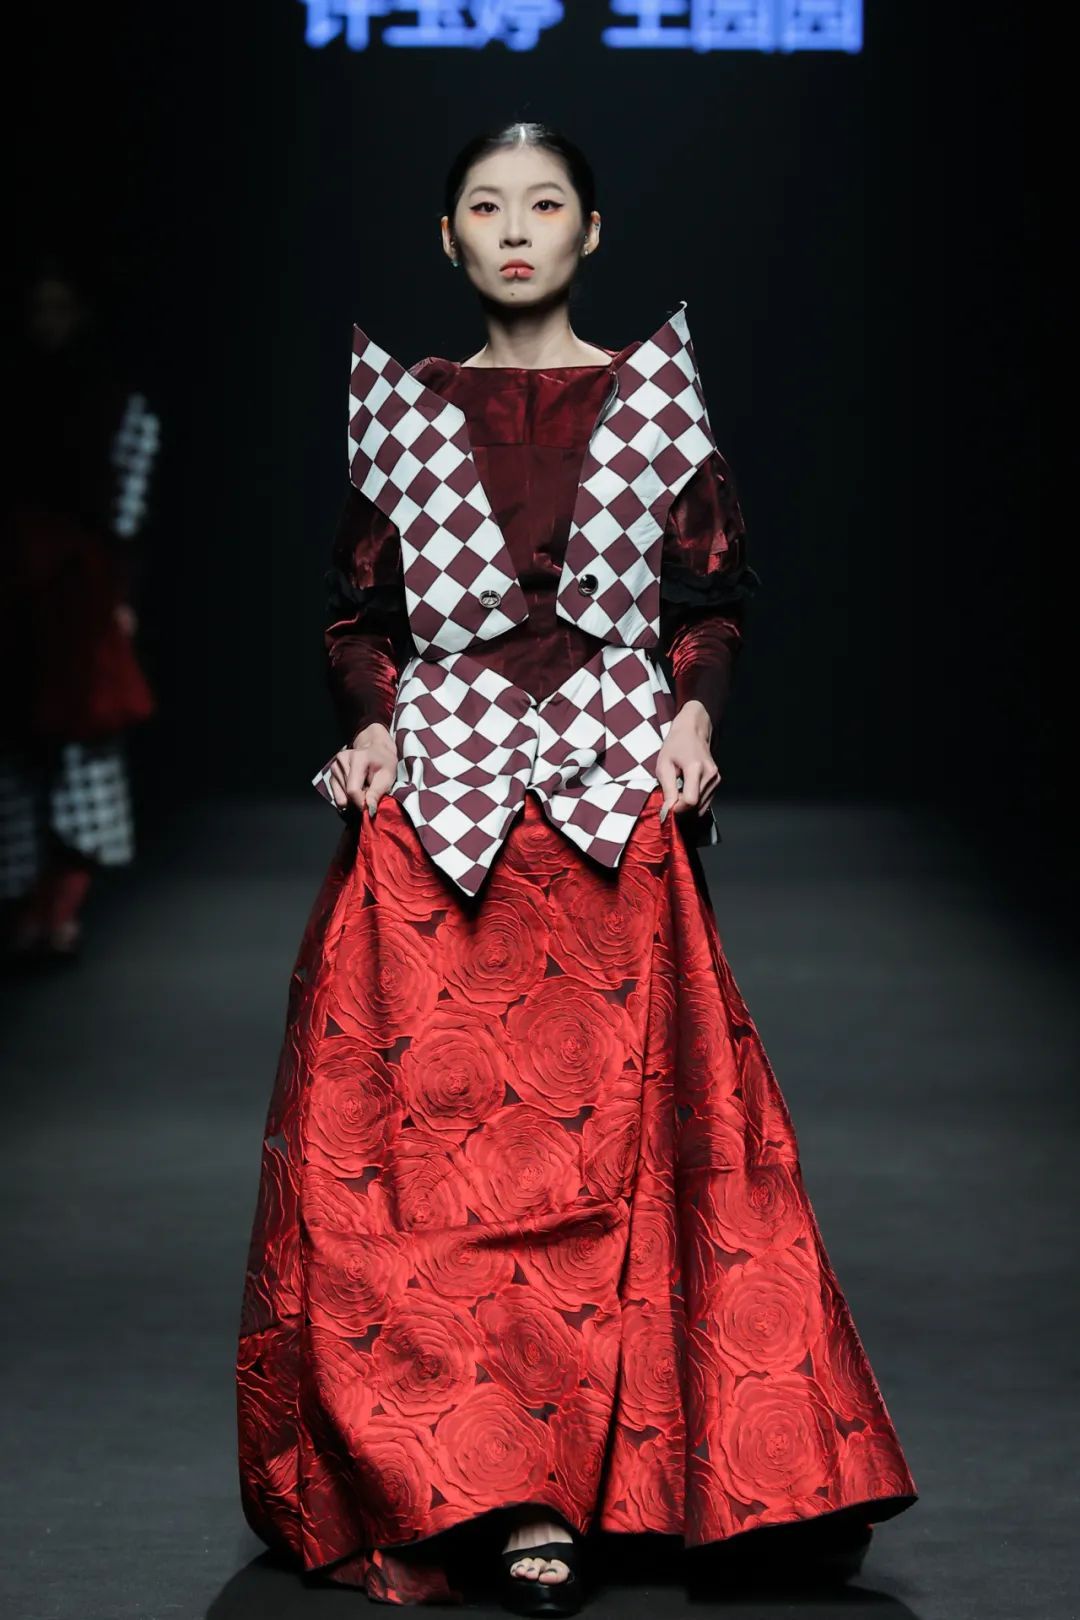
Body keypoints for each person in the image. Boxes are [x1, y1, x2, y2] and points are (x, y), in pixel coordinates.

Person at [236, 123, 918, 1614]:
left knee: (620, 1157)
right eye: (485, 206)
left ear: (590, 231)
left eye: (544, 204)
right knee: (436, 1161)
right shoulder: (406, 408)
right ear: (447, 237)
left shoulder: (655, 397)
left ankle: (642, 1475)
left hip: (614, 814)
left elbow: (711, 600)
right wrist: (372, 730)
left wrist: (693, 718)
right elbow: (358, 620)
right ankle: (502, 1489)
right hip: (439, 815)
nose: (515, 228)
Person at [0, 263, 159, 966]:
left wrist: (121, 598)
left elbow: (127, 508)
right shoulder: (15, 391)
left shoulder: (114, 401)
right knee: (19, 747)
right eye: (39, 308)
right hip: (16, 584)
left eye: (61, 308)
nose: (49, 324)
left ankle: (61, 905)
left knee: (82, 742)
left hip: (76, 587)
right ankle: (29, 905)